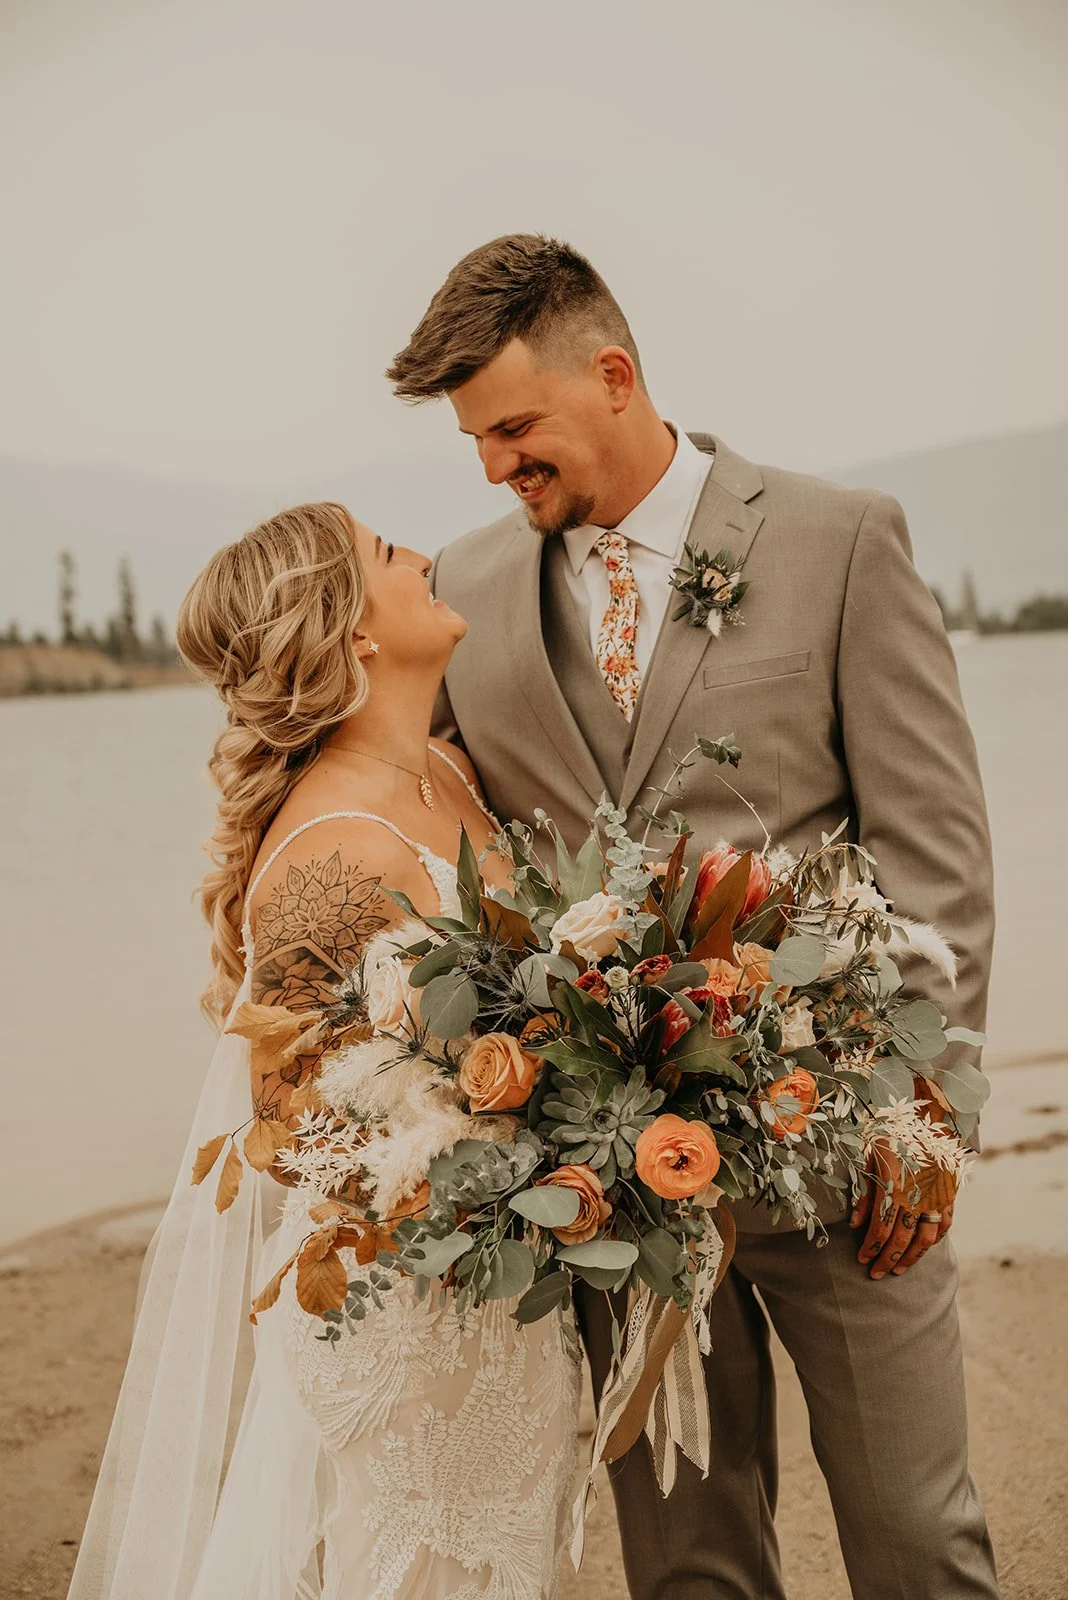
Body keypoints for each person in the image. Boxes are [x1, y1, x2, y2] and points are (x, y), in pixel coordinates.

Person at [388, 233, 1001, 1599]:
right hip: (620, 1189)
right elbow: (410, 810)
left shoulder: (843, 540)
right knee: (689, 1571)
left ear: (614, 374)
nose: (496, 467)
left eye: (516, 428)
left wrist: (925, 1109)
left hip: (847, 1168)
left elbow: (938, 854)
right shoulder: (465, 590)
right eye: (478, 442)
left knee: (919, 1537)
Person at [68, 503, 580, 1600]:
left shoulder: (447, 771)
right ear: (354, 631)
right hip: (409, 1328)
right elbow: (299, 1138)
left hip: (500, 1296)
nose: (425, 555)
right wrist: (506, 1141)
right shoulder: (328, 857)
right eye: (393, 556)